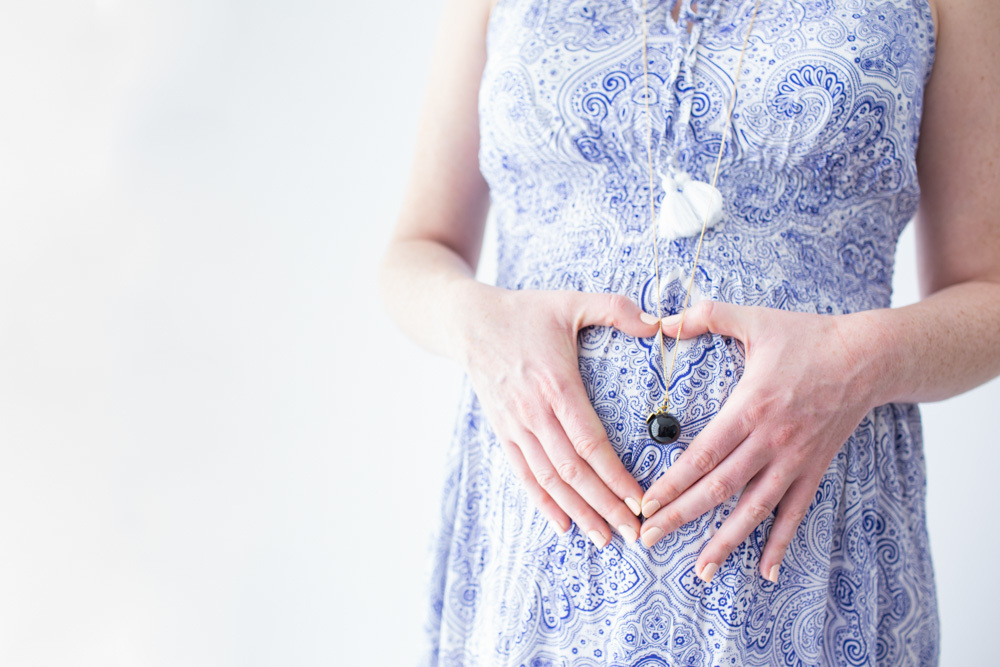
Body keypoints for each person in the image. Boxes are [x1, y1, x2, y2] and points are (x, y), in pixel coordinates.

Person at [378, 0, 1000, 663]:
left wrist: (860, 359)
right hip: (540, 547)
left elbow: (987, 289)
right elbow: (419, 247)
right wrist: (477, 325)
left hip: (800, 552)